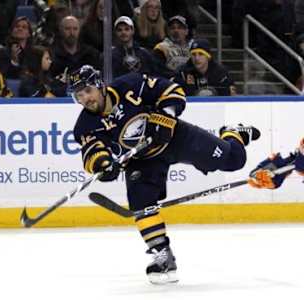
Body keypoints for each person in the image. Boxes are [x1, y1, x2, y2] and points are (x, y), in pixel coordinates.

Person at [69, 65, 260, 284]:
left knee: (235, 160)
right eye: (79, 95)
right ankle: (162, 255)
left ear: (100, 85)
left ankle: (234, 132)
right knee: (140, 202)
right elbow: (92, 152)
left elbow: (171, 90)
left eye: (87, 91)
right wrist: (104, 165)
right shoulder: (84, 126)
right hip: (142, 159)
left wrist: (165, 117)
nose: (85, 98)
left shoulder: (130, 85)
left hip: (175, 137)